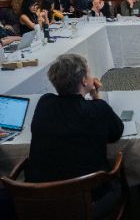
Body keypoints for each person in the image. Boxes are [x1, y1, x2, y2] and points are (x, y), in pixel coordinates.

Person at [24, 54, 124, 219]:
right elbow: (115, 133)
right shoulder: (98, 109)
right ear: (85, 81)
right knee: (119, 181)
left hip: (40, 201)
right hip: (88, 203)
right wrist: (96, 97)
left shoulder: (44, 103)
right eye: (89, 74)